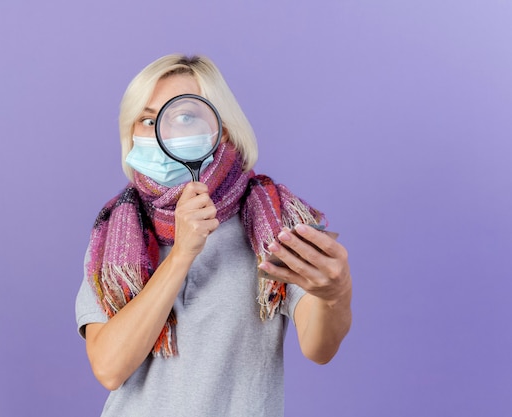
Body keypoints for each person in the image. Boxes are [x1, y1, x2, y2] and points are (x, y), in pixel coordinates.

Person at [75, 54, 352, 416]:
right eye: (147, 119)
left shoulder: (275, 221)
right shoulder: (114, 235)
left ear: (221, 128)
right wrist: (181, 254)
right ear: (131, 132)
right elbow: (109, 368)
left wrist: (336, 294)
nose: (162, 134)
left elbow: (320, 349)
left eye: (184, 117)